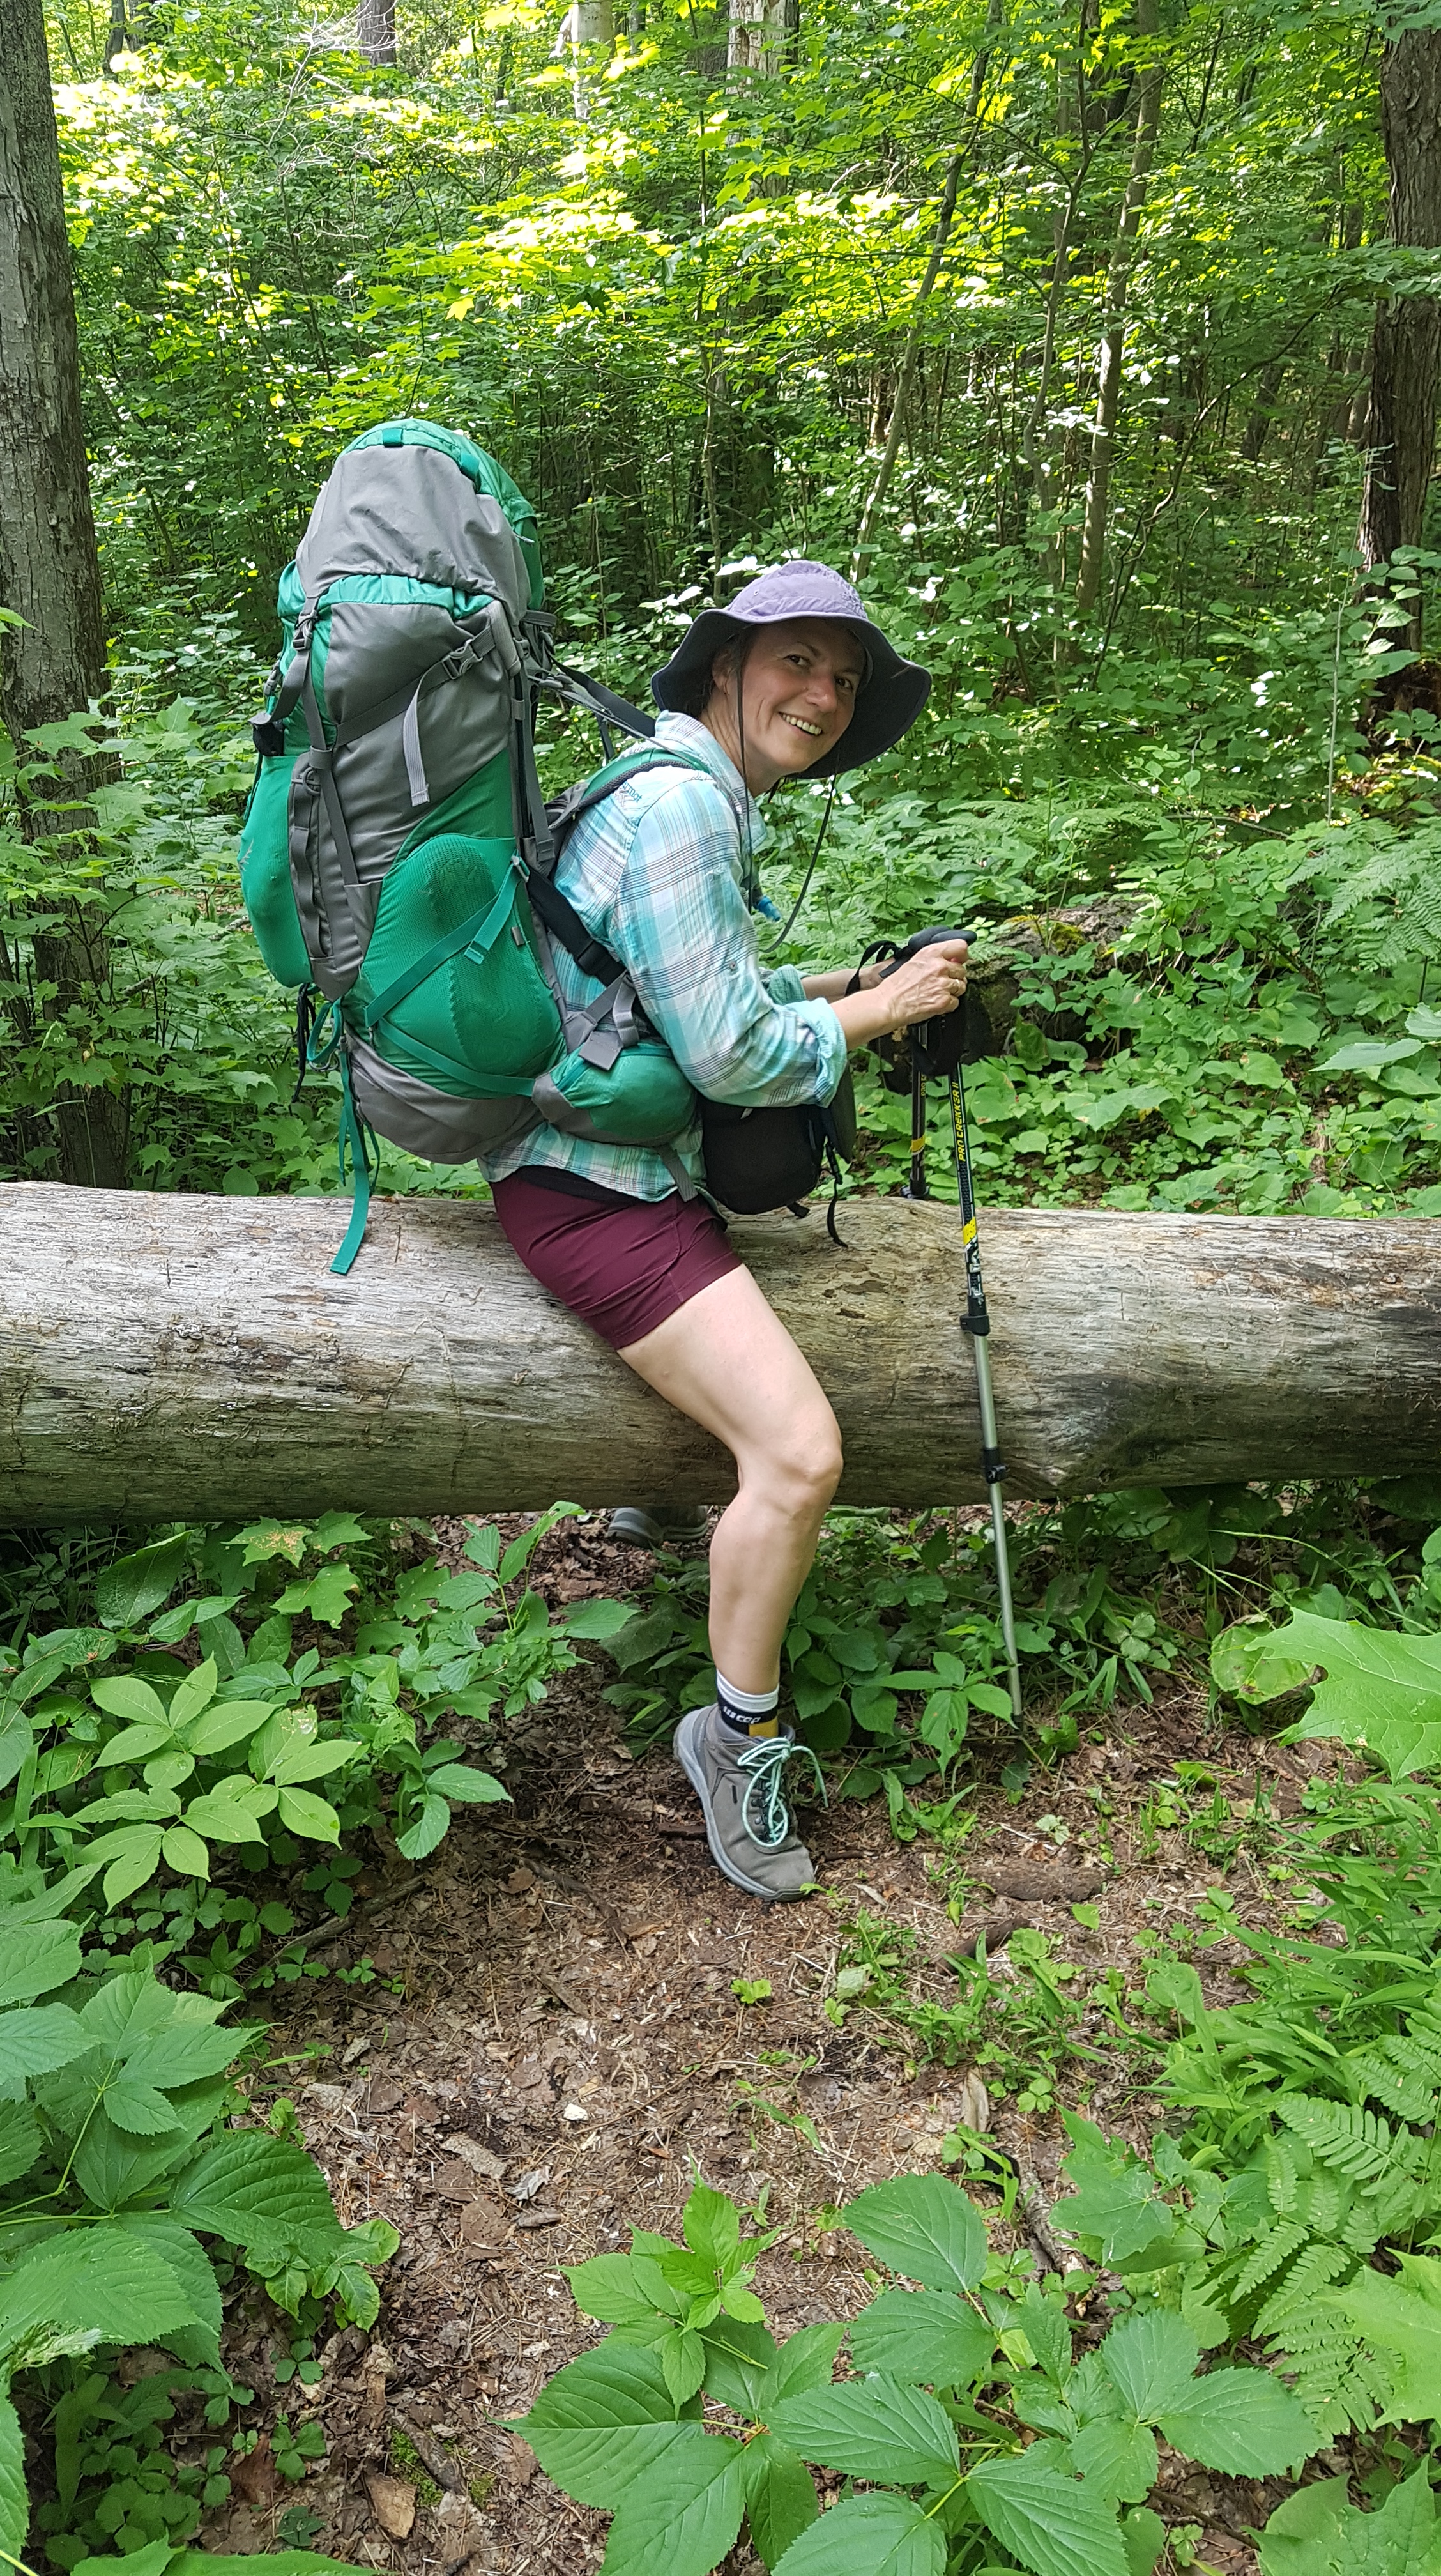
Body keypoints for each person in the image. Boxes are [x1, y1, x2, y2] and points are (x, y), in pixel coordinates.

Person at [482, 562, 967, 1901]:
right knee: (805, 1454)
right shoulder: (688, 810)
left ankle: (665, 1487)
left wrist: (853, 986)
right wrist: (871, 1017)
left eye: (845, 678)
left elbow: (698, 982)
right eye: (798, 662)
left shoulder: (668, 789)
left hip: (614, 1171)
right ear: (725, 668)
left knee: (776, 1393)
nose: (821, 695)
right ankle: (733, 1735)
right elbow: (737, 1052)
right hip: (594, 1194)